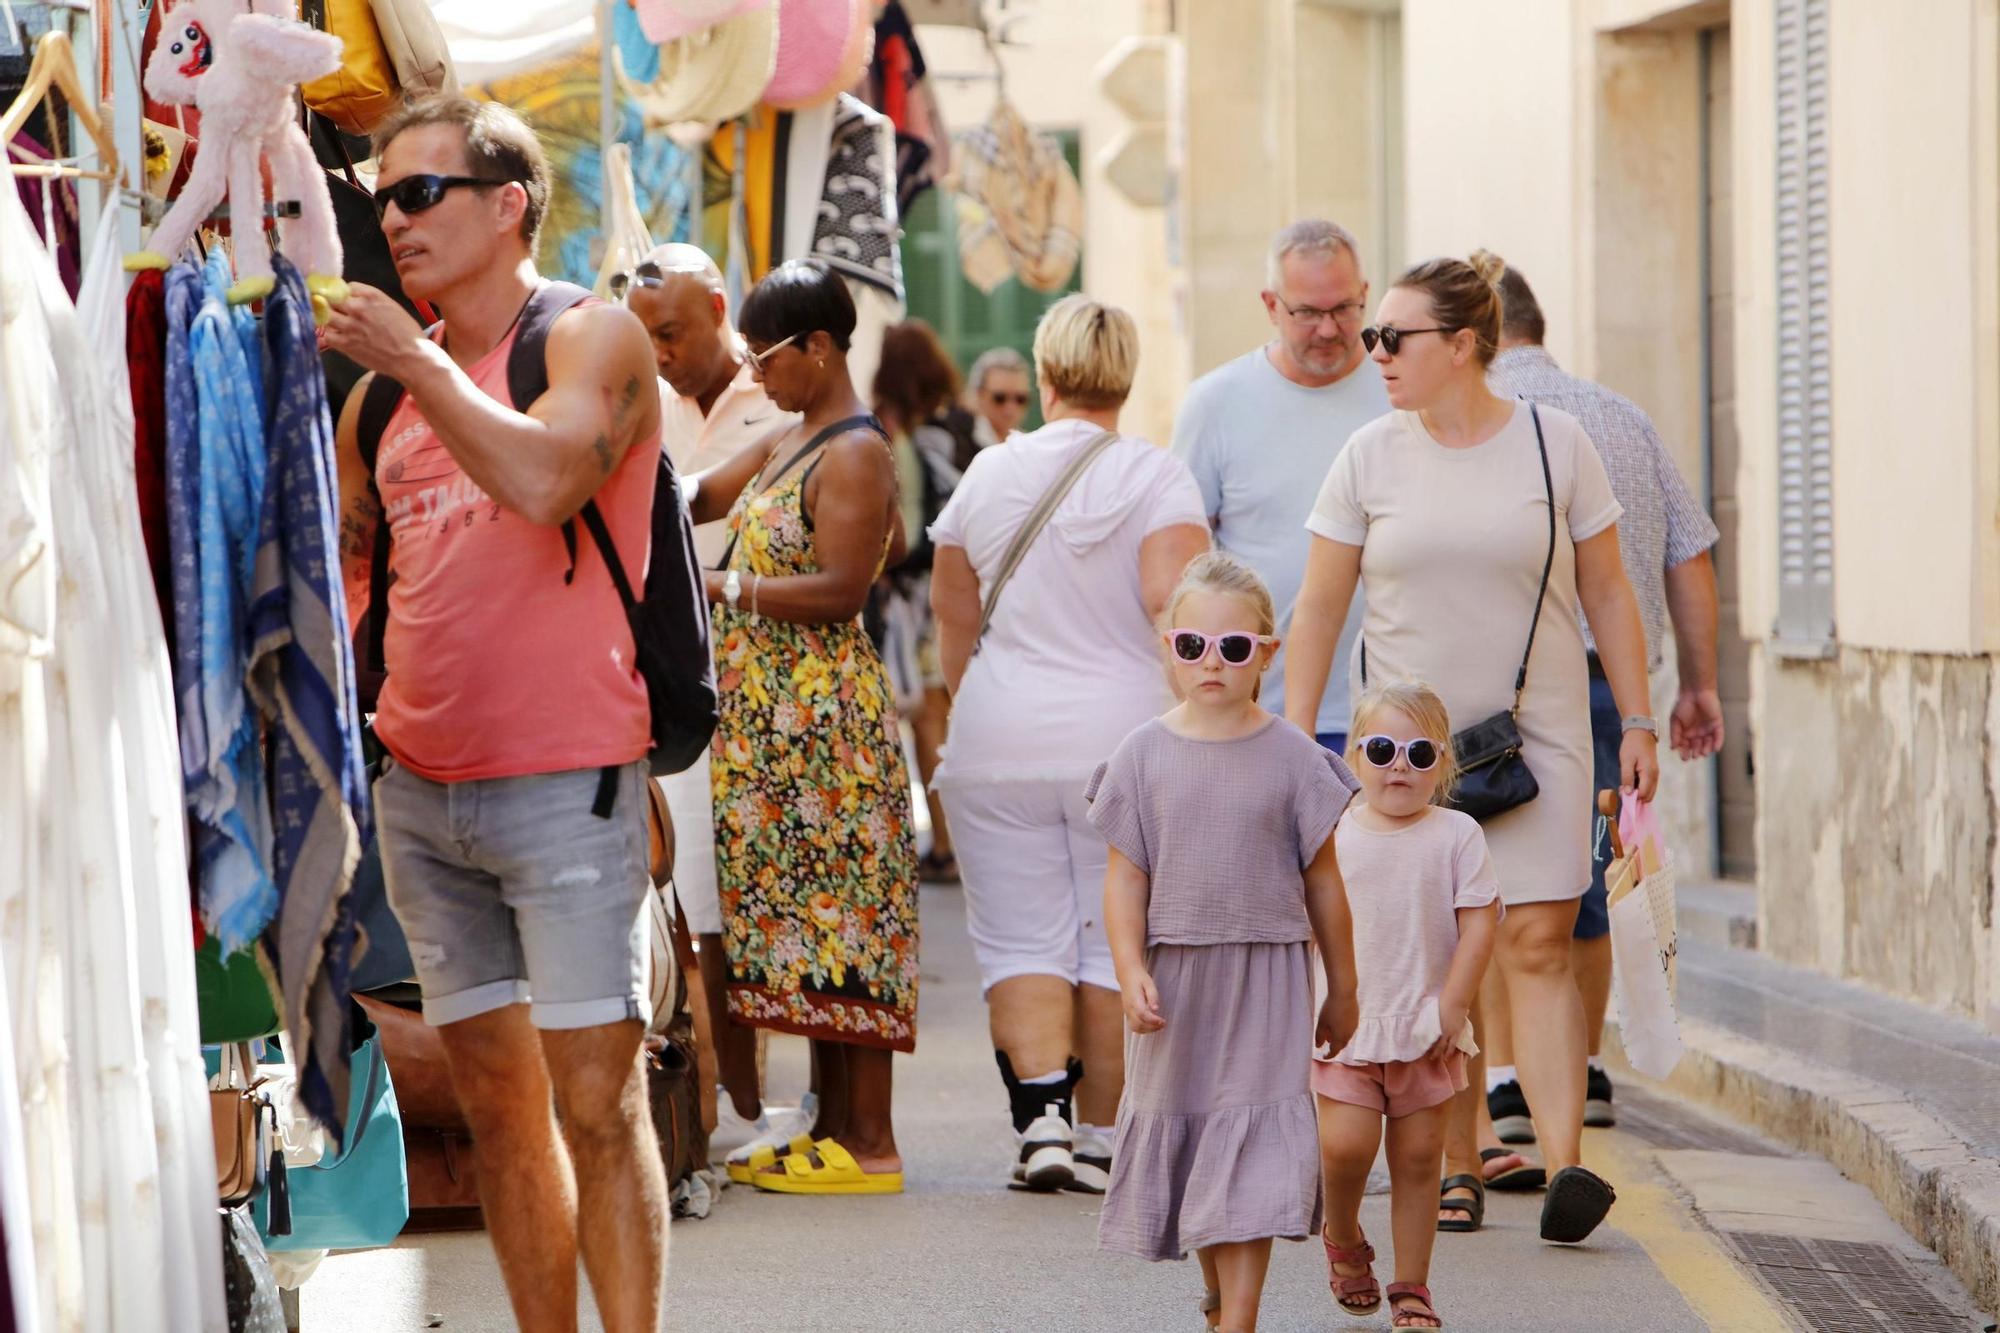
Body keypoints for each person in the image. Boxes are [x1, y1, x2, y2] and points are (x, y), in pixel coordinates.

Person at [324, 97, 667, 1332]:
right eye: (381, 200)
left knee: (594, 1104)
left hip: (566, 780)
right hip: (424, 791)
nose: (393, 221)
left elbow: (541, 478)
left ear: (506, 203)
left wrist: (414, 361)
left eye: (419, 193)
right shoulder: (375, 408)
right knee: (501, 1114)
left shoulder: (590, 337)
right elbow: (360, 592)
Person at [1284, 250, 1660, 1245]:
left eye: (1391, 337)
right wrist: (1291, 744)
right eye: (1373, 337)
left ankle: (1564, 1163)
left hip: (1535, 736)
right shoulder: (1368, 453)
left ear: (1462, 345)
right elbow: (1318, 609)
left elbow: (1609, 593)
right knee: (1430, 950)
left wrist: (1637, 720)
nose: (1374, 355)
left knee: (1536, 942)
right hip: (1406, 755)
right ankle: (1453, 1164)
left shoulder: (1556, 444)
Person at [929, 295, 1210, 1194]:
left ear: (1046, 375)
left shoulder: (986, 473)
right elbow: (1179, 611)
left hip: (998, 736)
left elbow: (953, 617)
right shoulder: (1158, 477)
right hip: (1121, 742)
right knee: (1108, 940)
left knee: (1018, 939)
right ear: (1126, 378)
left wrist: (983, 703)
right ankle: (1100, 1137)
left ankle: (1040, 1121)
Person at [686, 258, 918, 1195]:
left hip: (827, 729)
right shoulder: (795, 436)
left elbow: (841, 589)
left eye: (766, 355)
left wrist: (728, 583)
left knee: (849, 924)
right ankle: (831, 1129)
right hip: (777, 729)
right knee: (809, 930)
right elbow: (696, 495)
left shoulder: (855, 449)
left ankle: (872, 1143)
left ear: (819, 349)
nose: (755, 374)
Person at [1478, 260, 1724, 1148]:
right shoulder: (1623, 417)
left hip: (1505, 689)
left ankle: (1507, 1074)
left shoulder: (1471, 422)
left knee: (1500, 877)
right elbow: (1688, 559)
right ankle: (1576, 1066)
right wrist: (1694, 687)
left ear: (1472, 332)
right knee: (1589, 878)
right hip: (1610, 686)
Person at [1088, 553, 1360, 1333]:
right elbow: (1125, 879)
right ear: (1168, 646)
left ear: (1266, 654)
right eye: (1193, 646)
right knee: (1198, 1141)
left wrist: (1343, 987)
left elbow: (1327, 885)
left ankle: (1239, 1318)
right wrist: (1130, 964)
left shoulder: (1296, 759)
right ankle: (1217, 1295)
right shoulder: (1141, 755)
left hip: (1268, 973)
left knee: (1252, 1148)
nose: (1213, 662)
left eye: (1235, 648)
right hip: (1176, 979)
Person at [615, 242, 812, 1175]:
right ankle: (723, 1104)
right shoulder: (630, 393)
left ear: (719, 309)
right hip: (679, 682)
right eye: (645, 334)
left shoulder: (787, 397)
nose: (658, 350)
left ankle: (756, 1097)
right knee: (693, 903)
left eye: (671, 331)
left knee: (763, 901)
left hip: (774, 681)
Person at [1316, 683, 1500, 1332]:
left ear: (1443, 763)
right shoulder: (1332, 834)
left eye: (1420, 752)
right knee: (1343, 1147)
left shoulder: (1458, 834)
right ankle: (1341, 1234)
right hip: (1346, 1027)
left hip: (1427, 1026)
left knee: (1420, 1159)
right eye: (1384, 748)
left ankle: (1410, 1285)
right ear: (1354, 756)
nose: (1400, 764)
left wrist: (1454, 1004)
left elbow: (1479, 925)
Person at [1172, 219, 1390, 753]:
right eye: (1307, 312)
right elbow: (1184, 576)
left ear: (1366, 296)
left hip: (1393, 720)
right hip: (1256, 714)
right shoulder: (1214, 404)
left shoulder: (1401, 391)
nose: (1327, 328)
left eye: (1343, 309)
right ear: (1271, 306)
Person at [871, 319, 973, 881]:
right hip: (955, 591)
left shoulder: (894, 430)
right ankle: (955, 839)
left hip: (918, 598)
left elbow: (904, 528)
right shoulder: (954, 423)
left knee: (929, 723)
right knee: (947, 717)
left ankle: (948, 845)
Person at [964, 345, 1032, 448]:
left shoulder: (1029, 445)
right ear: (979, 395)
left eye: (1020, 399)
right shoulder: (960, 442)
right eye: (1000, 398)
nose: (1010, 408)